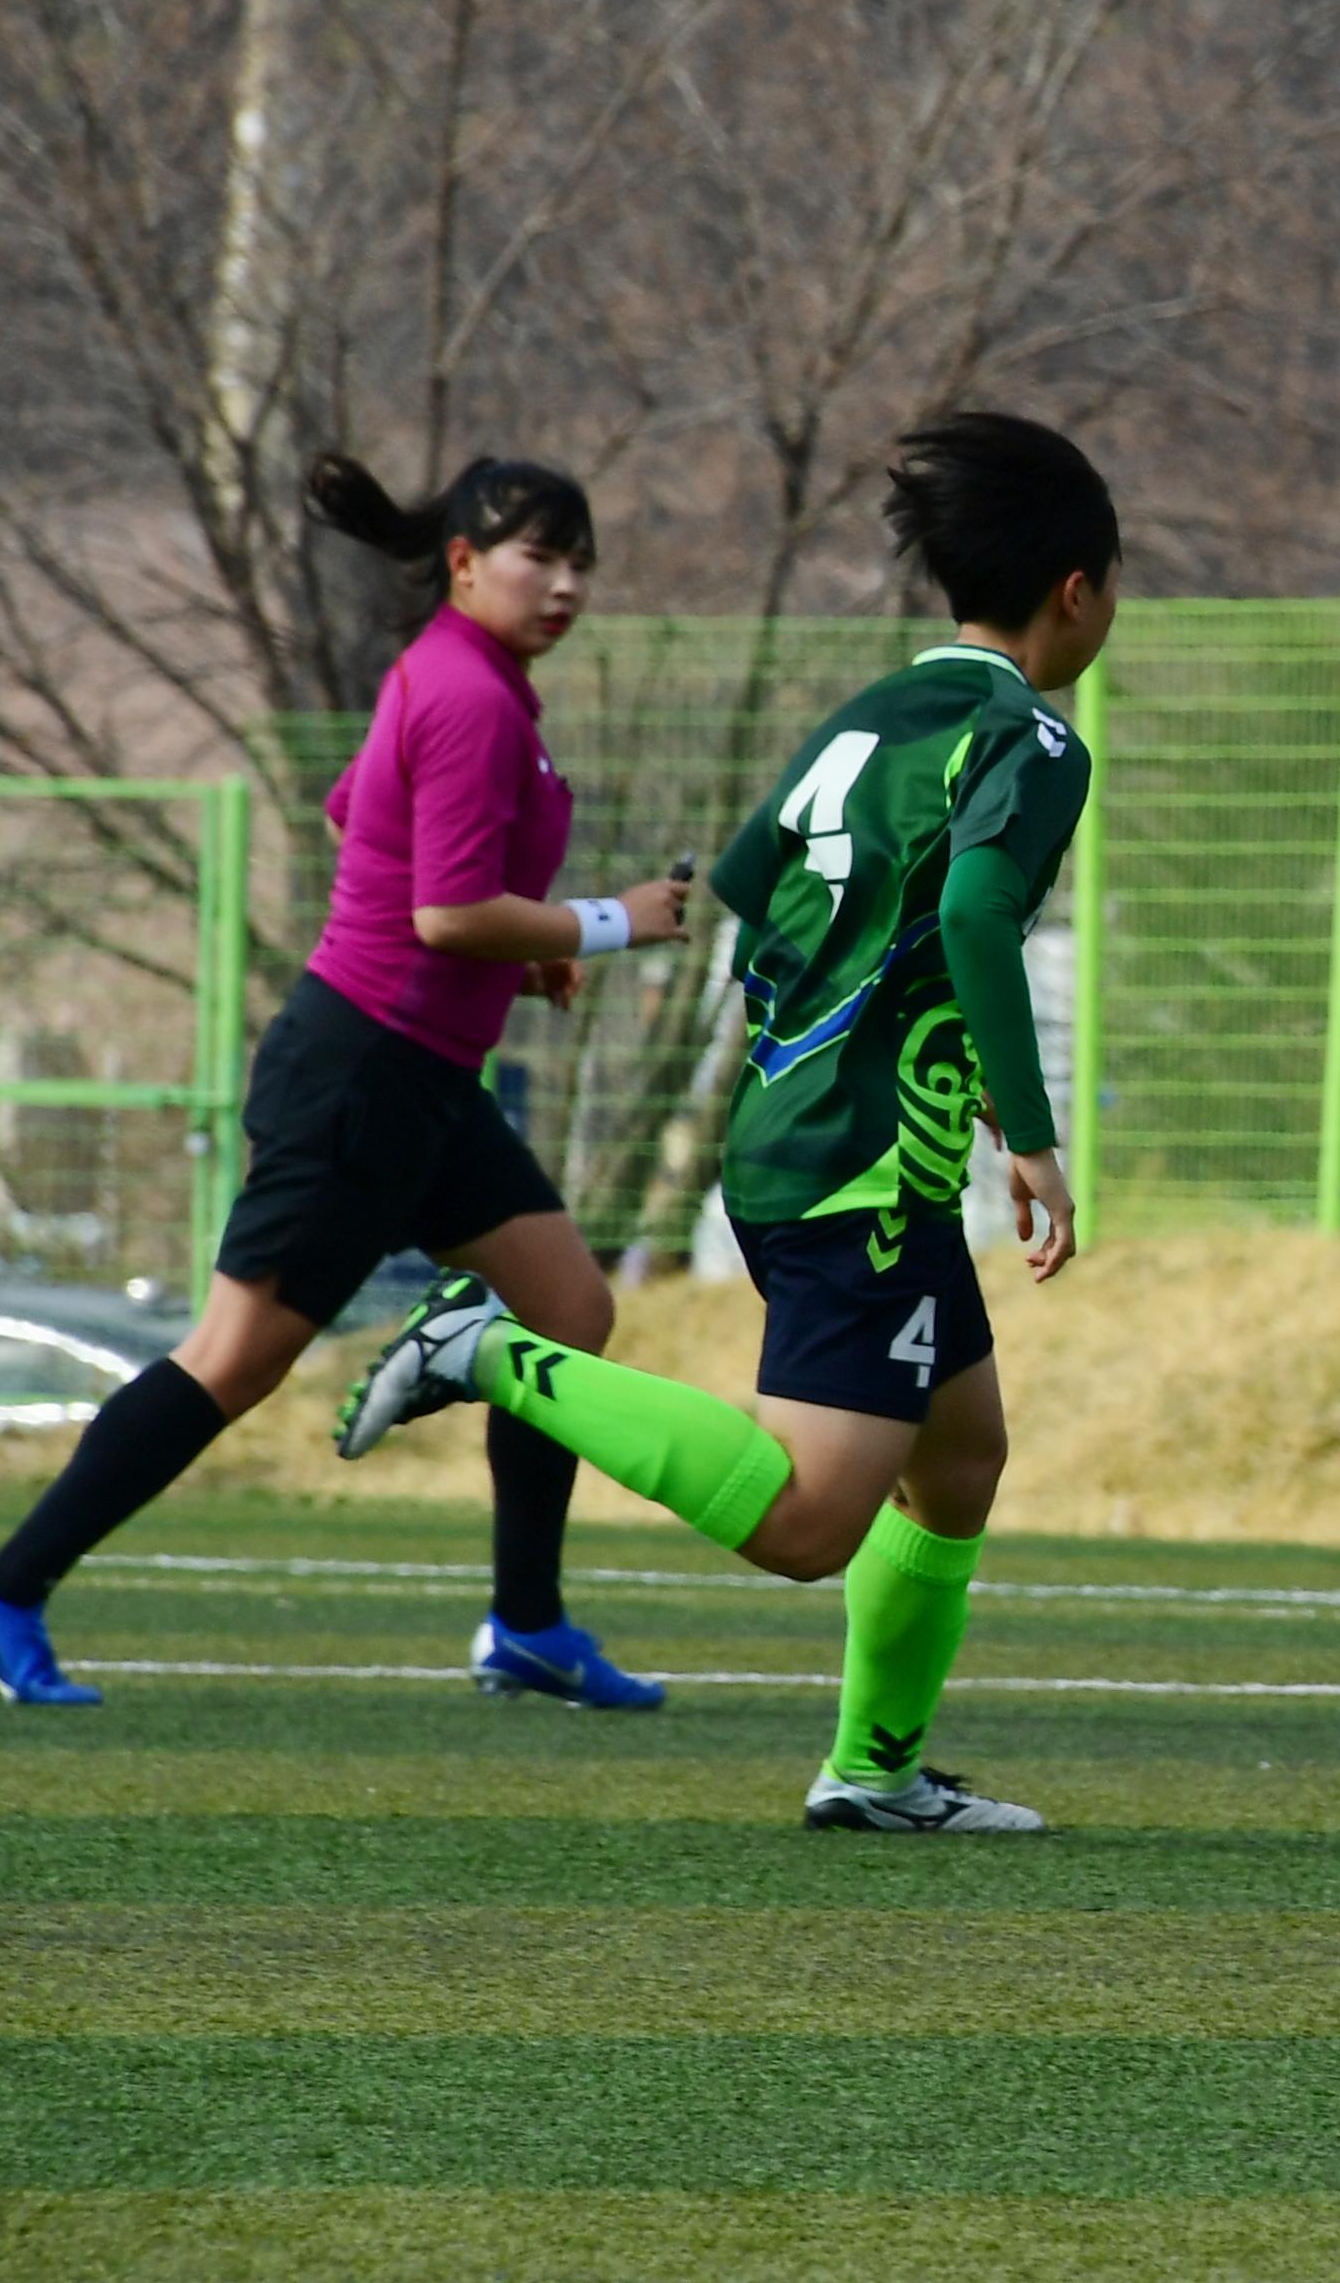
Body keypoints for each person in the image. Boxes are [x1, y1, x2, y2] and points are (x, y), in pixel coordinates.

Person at [333, 412, 1113, 1834]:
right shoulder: (1035, 739)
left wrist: (904, 1040)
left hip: (822, 1136)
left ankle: (876, 1771)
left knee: (960, 1457)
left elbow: (757, 881)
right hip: (861, 1166)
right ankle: (486, 1349)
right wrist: (1033, 1125)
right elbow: (977, 910)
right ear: (1080, 590)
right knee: (815, 1523)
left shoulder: (877, 711)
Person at [0, 455, 685, 1710]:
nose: (562, 585)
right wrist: (604, 924)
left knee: (568, 1313)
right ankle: (3, 1593)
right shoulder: (468, 693)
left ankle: (528, 1624)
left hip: (426, 1077)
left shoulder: (475, 682)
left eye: (579, 562)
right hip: (361, 1075)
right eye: (534, 558)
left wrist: (524, 957)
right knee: (231, 1359)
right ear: (462, 562)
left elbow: (360, 823)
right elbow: (445, 912)